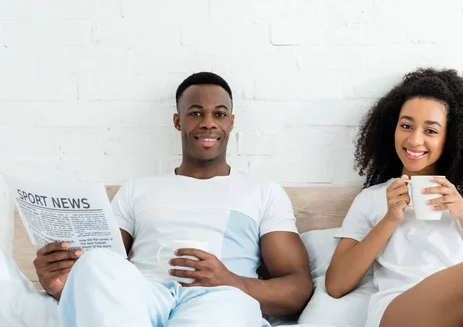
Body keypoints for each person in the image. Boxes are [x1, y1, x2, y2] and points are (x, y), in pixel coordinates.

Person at [32, 72, 313, 327]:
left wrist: (232, 280)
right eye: (195, 113)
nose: (208, 123)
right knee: (95, 261)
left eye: (219, 114)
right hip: (144, 299)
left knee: (223, 311)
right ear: (178, 121)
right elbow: (106, 274)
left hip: (220, 297)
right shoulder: (136, 190)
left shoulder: (263, 192)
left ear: (231, 122)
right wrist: (61, 286)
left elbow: (297, 289)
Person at [325, 68, 463, 327]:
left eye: (431, 131)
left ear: (450, 138)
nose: (414, 140)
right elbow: (336, 285)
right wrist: (390, 219)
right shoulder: (373, 198)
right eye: (406, 126)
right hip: (398, 313)